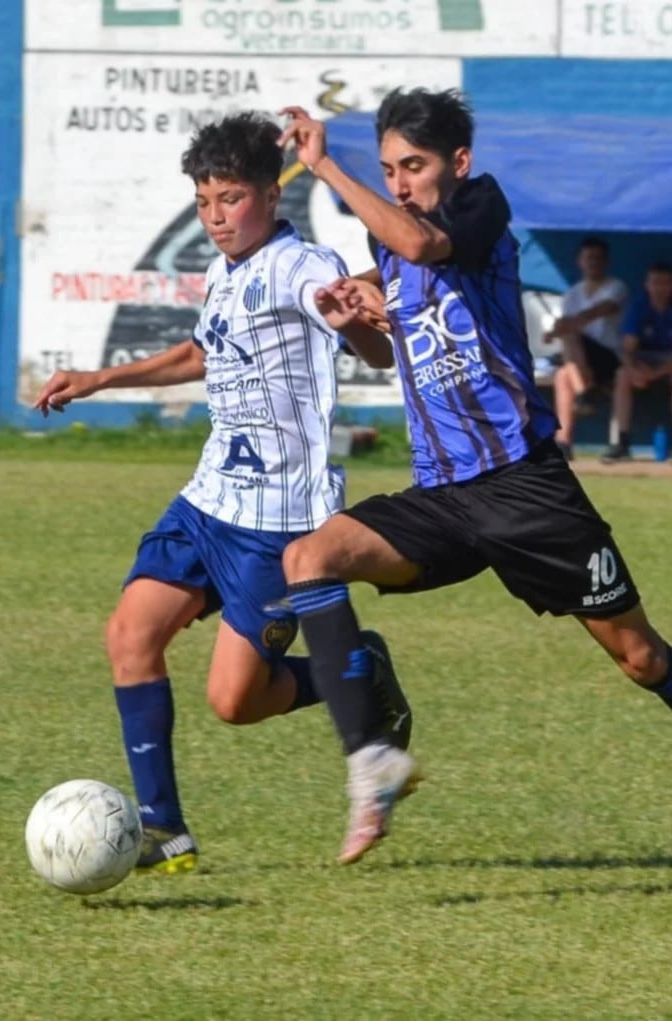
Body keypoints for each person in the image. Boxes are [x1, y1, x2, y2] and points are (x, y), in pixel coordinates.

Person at [276, 89, 672, 887]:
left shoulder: (479, 204)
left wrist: (325, 161)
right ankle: (371, 757)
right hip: (441, 495)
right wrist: (352, 311)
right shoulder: (389, 240)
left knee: (640, 659)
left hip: (526, 491)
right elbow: (379, 345)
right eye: (389, 168)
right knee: (310, 558)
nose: (398, 182)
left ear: (455, 163)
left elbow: (428, 248)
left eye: (413, 166)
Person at [32, 113, 410, 874]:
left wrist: (358, 321)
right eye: (204, 201)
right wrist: (103, 377)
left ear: (271, 195)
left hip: (279, 525)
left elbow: (362, 337)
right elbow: (203, 351)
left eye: (230, 198)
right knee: (128, 635)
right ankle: (162, 828)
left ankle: (363, 671)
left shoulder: (299, 263)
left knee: (234, 702)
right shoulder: (223, 273)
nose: (215, 216)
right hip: (208, 502)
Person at [602, 262, 672, 464]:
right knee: (622, 375)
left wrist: (658, 373)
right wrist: (634, 369)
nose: (660, 288)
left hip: (669, 360)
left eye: (665, 283)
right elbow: (627, 348)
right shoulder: (638, 305)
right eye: (655, 283)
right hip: (643, 358)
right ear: (647, 285)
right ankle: (622, 442)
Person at [547, 238, 629, 458]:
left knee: (570, 334)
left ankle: (585, 392)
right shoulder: (573, 293)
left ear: (606, 262)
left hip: (610, 357)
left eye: (598, 258)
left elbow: (601, 310)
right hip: (581, 363)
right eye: (588, 258)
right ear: (580, 261)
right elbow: (563, 324)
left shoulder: (617, 287)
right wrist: (557, 329)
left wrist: (563, 327)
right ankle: (563, 442)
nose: (593, 263)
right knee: (562, 375)